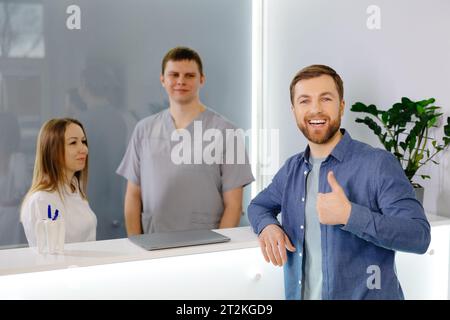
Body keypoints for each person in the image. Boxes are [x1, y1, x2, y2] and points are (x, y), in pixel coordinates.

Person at [247, 65, 431, 300]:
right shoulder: (292, 169)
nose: (315, 109)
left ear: (341, 106)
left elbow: (419, 236)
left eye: (326, 99)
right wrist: (267, 226)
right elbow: (258, 206)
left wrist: (350, 215)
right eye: (304, 101)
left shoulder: (377, 164)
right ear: (293, 110)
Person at [116, 46, 254, 235]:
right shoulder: (144, 130)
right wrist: (136, 244)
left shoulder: (227, 132)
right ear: (162, 80)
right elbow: (133, 195)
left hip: (205, 244)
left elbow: (234, 205)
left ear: (201, 80)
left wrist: (217, 250)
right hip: (153, 242)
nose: (181, 81)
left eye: (189, 76)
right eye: (174, 75)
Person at [21, 118, 97, 246]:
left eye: (83, 141)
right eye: (73, 143)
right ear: (53, 150)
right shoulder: (42, 200)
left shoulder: (74, 187)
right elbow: (49, 257)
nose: (84, 149)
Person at [0, 112, 28, 247]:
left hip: (13, 219)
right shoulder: (18, 160)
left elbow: (22, 191)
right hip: (11, 216)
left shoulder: (18, 160)